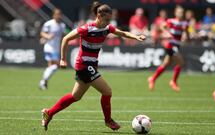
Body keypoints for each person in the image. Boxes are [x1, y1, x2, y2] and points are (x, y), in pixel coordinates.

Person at [41, 1, 146, 131]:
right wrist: (62, 59)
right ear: (99, 16)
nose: (109, 22)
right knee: (107, 91)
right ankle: (108, 121)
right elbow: (65, 39)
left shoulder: (107, 28)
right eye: (106, 19)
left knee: (75, 96)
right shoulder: (86, 28)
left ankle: (49, 113)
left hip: (91, 66)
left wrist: (136, 37)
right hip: (84, 65)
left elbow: (123, 33)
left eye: (110, 19)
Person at [148, 6, 189, 92]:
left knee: (165, 64)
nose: (181, 14)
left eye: (182, 12)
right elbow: (162, 26)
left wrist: (186, 35)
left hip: (177, 45)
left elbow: (186, 34)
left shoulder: (185, 23)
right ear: (175, 13)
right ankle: (173, 81)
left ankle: (153, 78)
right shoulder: (171, 21)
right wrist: (166, 32)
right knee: (180, 61)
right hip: (171, 45)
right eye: (179, 12)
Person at [39, 9, 66, 90]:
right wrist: (47, 37)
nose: (59, 16)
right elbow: (42, 33)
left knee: (52, 66)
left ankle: (44, 82)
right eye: (57, 14)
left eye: (60, 14)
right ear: (53, 15)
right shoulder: (49, 24)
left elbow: (63, 36)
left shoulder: (62, 25)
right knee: (56, 65)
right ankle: (43, 81)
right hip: (49, 48)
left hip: (56, 49)